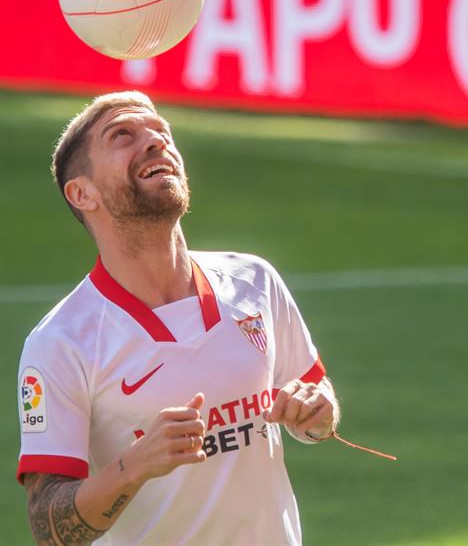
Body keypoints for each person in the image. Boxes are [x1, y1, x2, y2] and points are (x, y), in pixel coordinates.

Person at [17, 91, 339, 545]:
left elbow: (316, 402)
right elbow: (50, 529)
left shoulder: (255, 280)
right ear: (82, 193)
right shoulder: (60, 343)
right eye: (123, 135)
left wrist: (318, 413)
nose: (155, 142)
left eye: (161, 132)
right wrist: (137, 464)